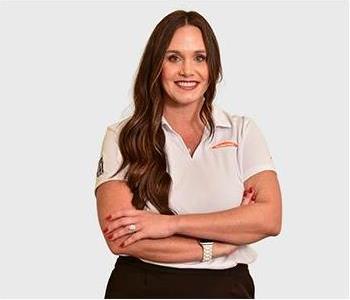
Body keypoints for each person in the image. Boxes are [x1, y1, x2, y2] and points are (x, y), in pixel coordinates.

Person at [94, 9, 282, 299]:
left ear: (213, 67)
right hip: (142, 287)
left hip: (227, 289)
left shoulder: (241, 131)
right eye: (173, 58)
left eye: (199, 57)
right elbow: (121, 240)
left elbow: (269, 219)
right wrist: (220, 244)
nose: (186, 71)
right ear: (156, 66)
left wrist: (169, 224)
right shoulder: (122, 136)